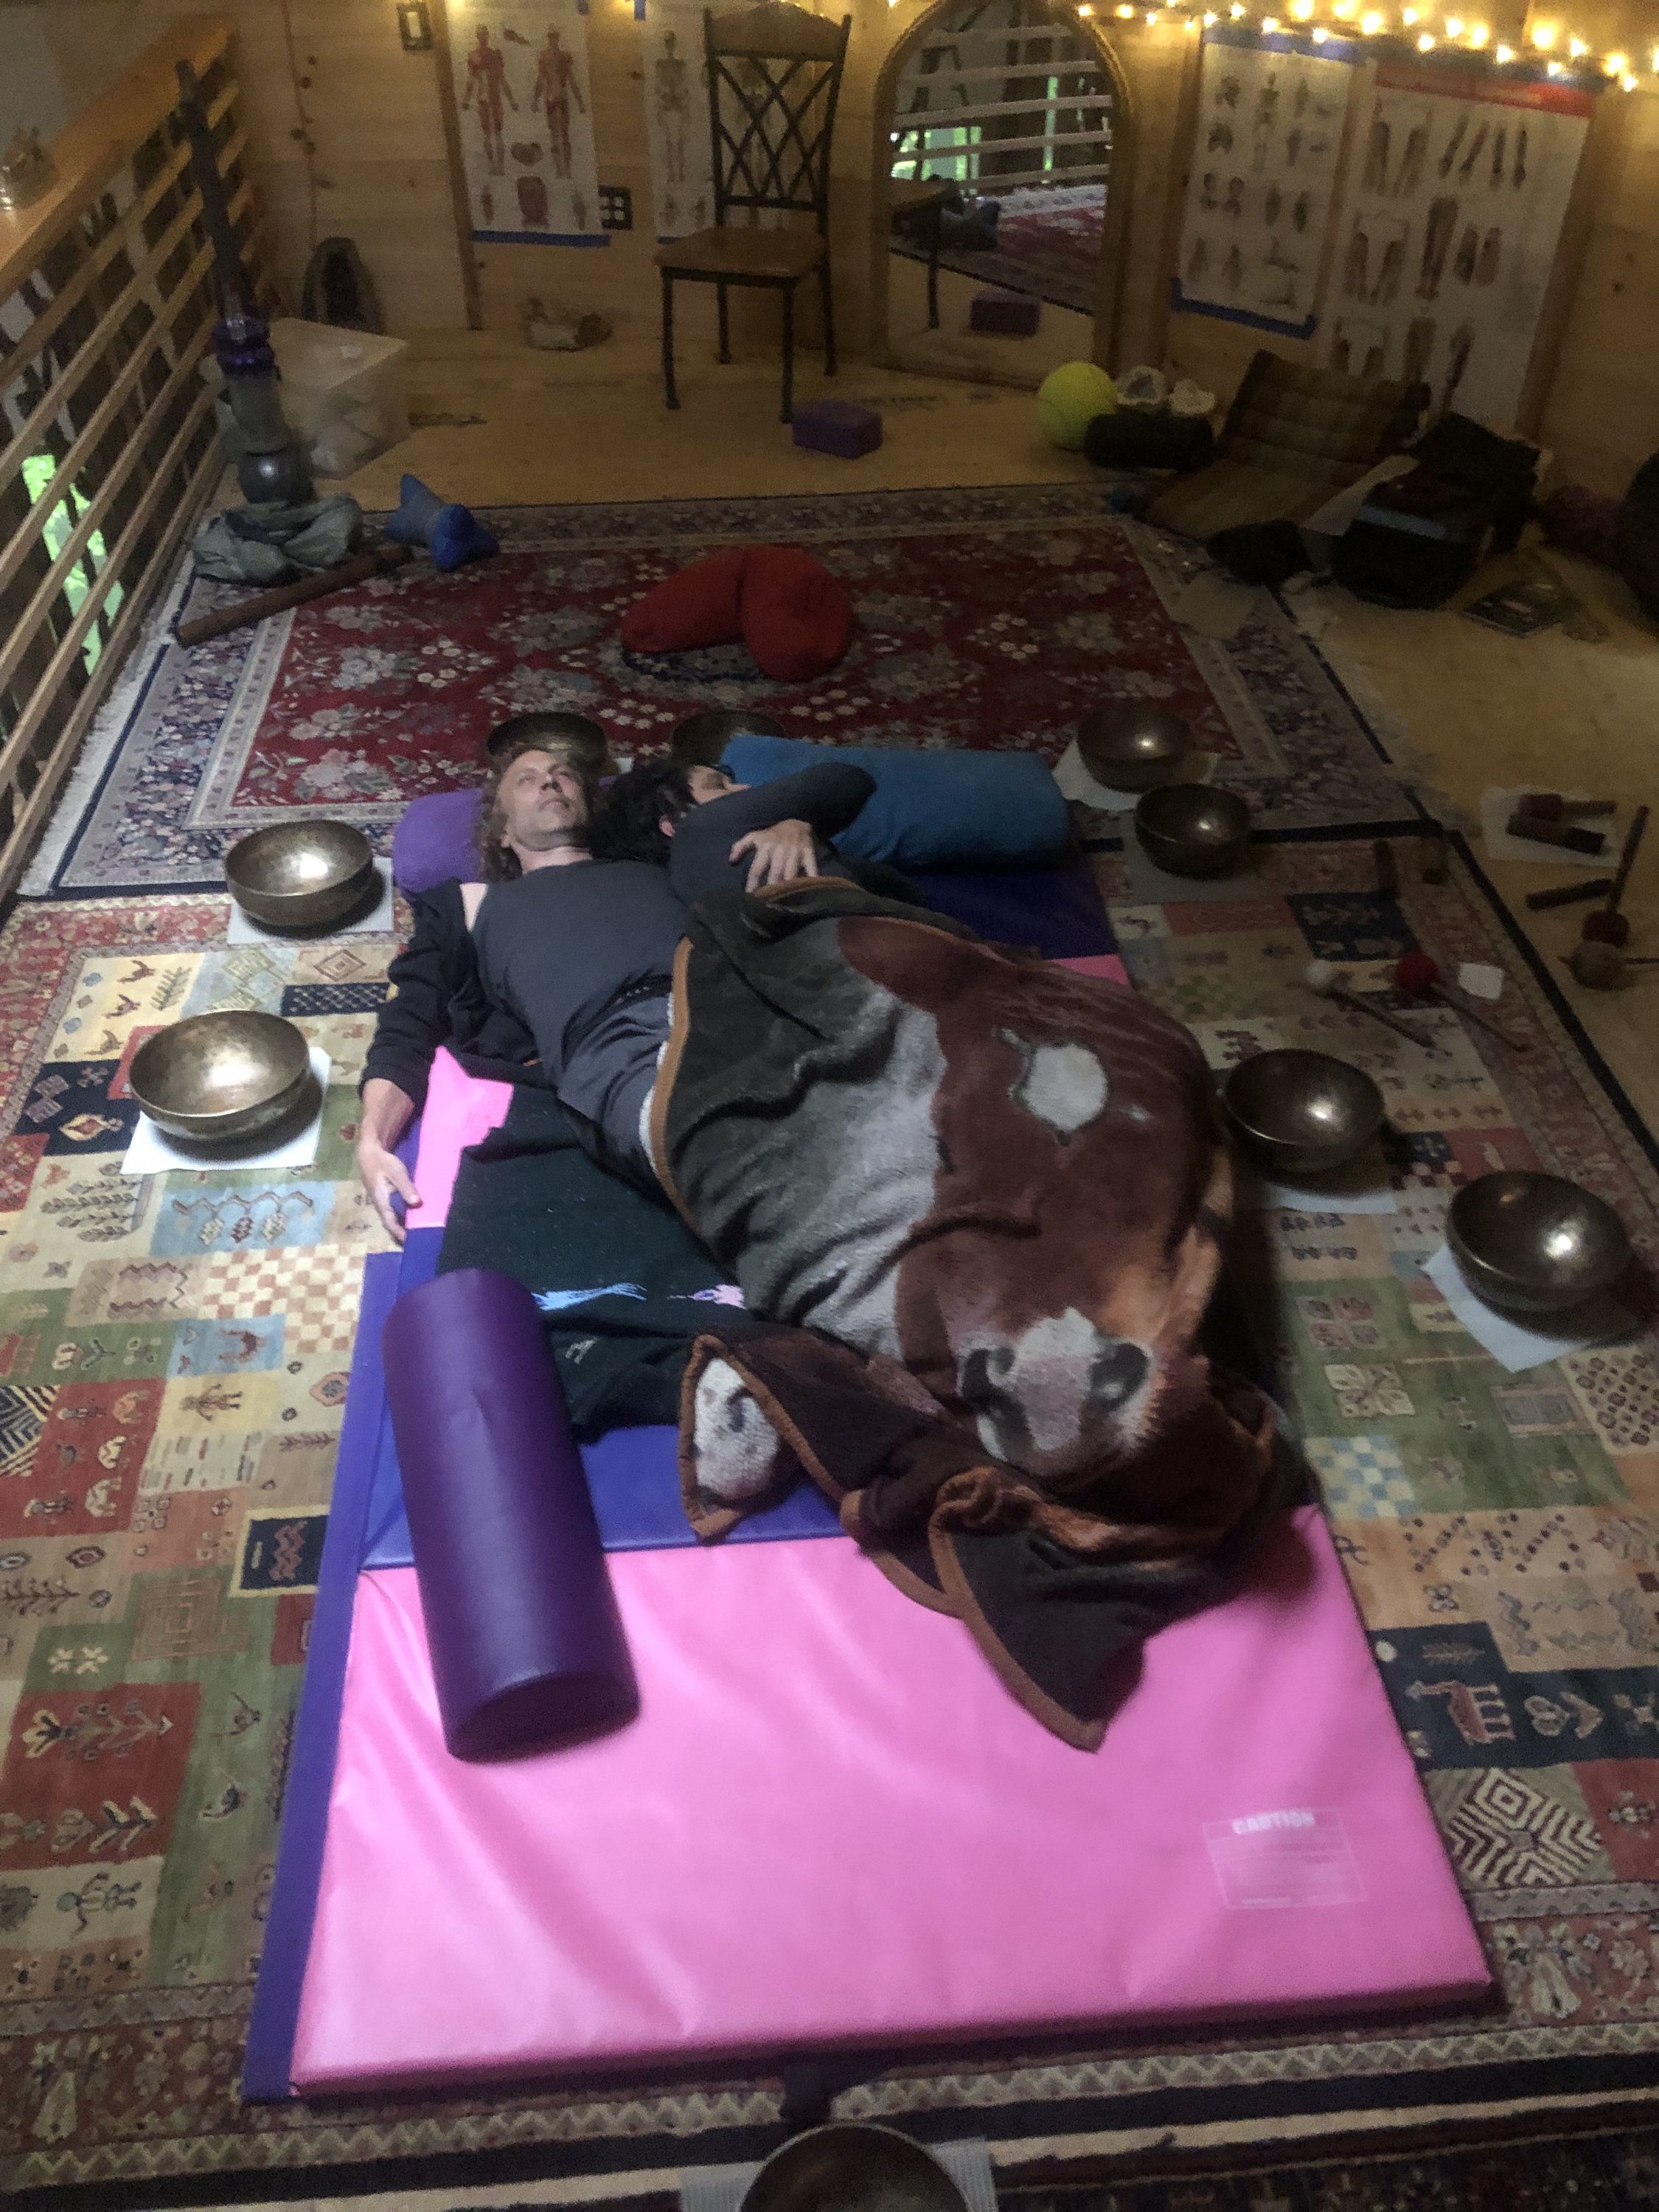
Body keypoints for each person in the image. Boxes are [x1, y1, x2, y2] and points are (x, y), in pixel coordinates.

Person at [356, 737, 875, 1240]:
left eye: (563, 775)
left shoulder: (659, 863)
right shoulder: (468, 903)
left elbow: (787, 823)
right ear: (502, 832)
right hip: (619, 1045)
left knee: (878, 1115)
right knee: (747, 1168)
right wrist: (373, 1137)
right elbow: (409, 1023)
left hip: (734, 1002)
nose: (551, 783)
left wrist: (790, 825)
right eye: (528, 780)